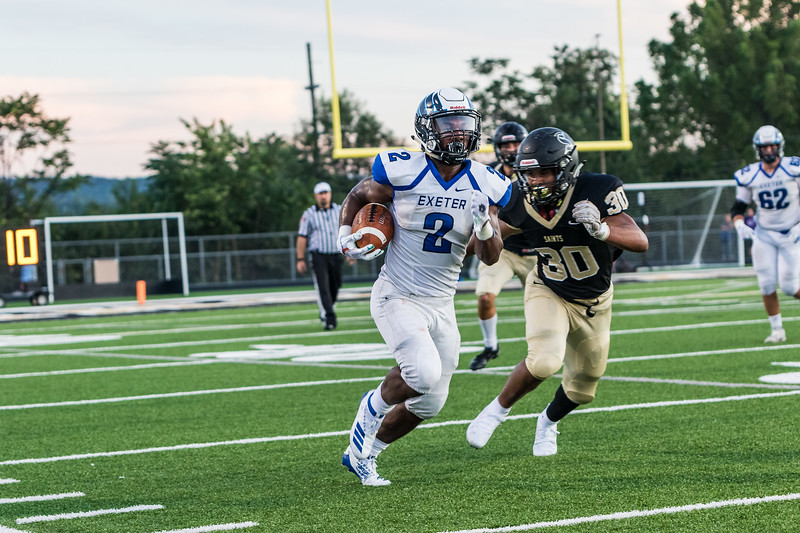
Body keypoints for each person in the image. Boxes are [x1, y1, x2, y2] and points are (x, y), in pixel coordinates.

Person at [337, 87, 512, 485]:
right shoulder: (402, 168)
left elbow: (490, 256)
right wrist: (345, 232)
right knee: (421, 372)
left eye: (464, 125)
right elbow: (360, 193)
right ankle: (368, 413)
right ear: (427, 130)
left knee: (431, 401)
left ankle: (365, 454)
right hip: (397, 292)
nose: (457, 133)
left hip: (441, 301)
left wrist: (486, 227)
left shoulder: (487, 182)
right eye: (448, 125)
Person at [466, 127, 648, 457]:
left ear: (565, 169)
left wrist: (602, 228)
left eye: (543, 172)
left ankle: (547, 423)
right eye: (529, 173)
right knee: (544, 360)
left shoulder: (596, 189)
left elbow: (640, 241)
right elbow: (486, 253)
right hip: (547, 288)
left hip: (595, 301)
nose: (535, 180)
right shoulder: (519, 201)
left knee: (583, 387)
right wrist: (483, 226)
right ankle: (495, 411)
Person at [470, 121, 539, 371]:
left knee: (541, 306)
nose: (511, 149)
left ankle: (544, 349)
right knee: (485, 296)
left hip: (536, 252)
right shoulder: (489, 175)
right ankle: (491, 346)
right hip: (504, 249)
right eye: (506, 144)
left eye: (516, 143)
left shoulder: (537, 170)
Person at [731, 125, 800, 343]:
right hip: (764, 234)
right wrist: (739, 224)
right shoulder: (749, 175)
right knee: (767, 283)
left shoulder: (793, 168)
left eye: (772, 146)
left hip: (792, 232)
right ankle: (777, 330)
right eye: (764, 146)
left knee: (790, 286)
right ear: (757, 149)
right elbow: (738, 208)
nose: (768, 150)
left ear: (779, 147)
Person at [296, 181, 347, 330]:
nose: (323, 196)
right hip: (319, 255)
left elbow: (347, 231)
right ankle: (329, 318)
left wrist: (350, 252)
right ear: (316, 196)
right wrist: (300, 259)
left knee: (335, 285)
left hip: (335, 254)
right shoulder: (309, 214)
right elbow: (302, 236)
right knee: (323, 287)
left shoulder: (339, 210)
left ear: (330, 194)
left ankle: (326, 310)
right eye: (320, 194)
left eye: (326, 193)